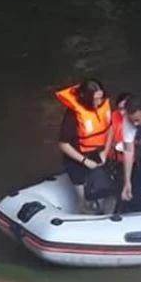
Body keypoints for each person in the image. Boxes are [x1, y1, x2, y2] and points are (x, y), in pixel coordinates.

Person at [57, 79, 114, 213]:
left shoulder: (103, 106)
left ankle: (107, 217)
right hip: (78, 160)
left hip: (98, 154)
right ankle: (85, 213)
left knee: (108, 193)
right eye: (95, 99)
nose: (98, 102)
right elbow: (63, 144)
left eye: (100, 98)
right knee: (85, 201)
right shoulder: (73, 114)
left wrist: (105, 152)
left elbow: (109, 128)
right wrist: (85, 161)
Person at [109, 92, 141, 212]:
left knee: (139, 186)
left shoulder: (138, 119)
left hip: (139, 159)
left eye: (125, 109)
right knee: (123, 188)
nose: (123, 113)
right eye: (121, 109)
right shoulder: (113, 118)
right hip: (120, 161)